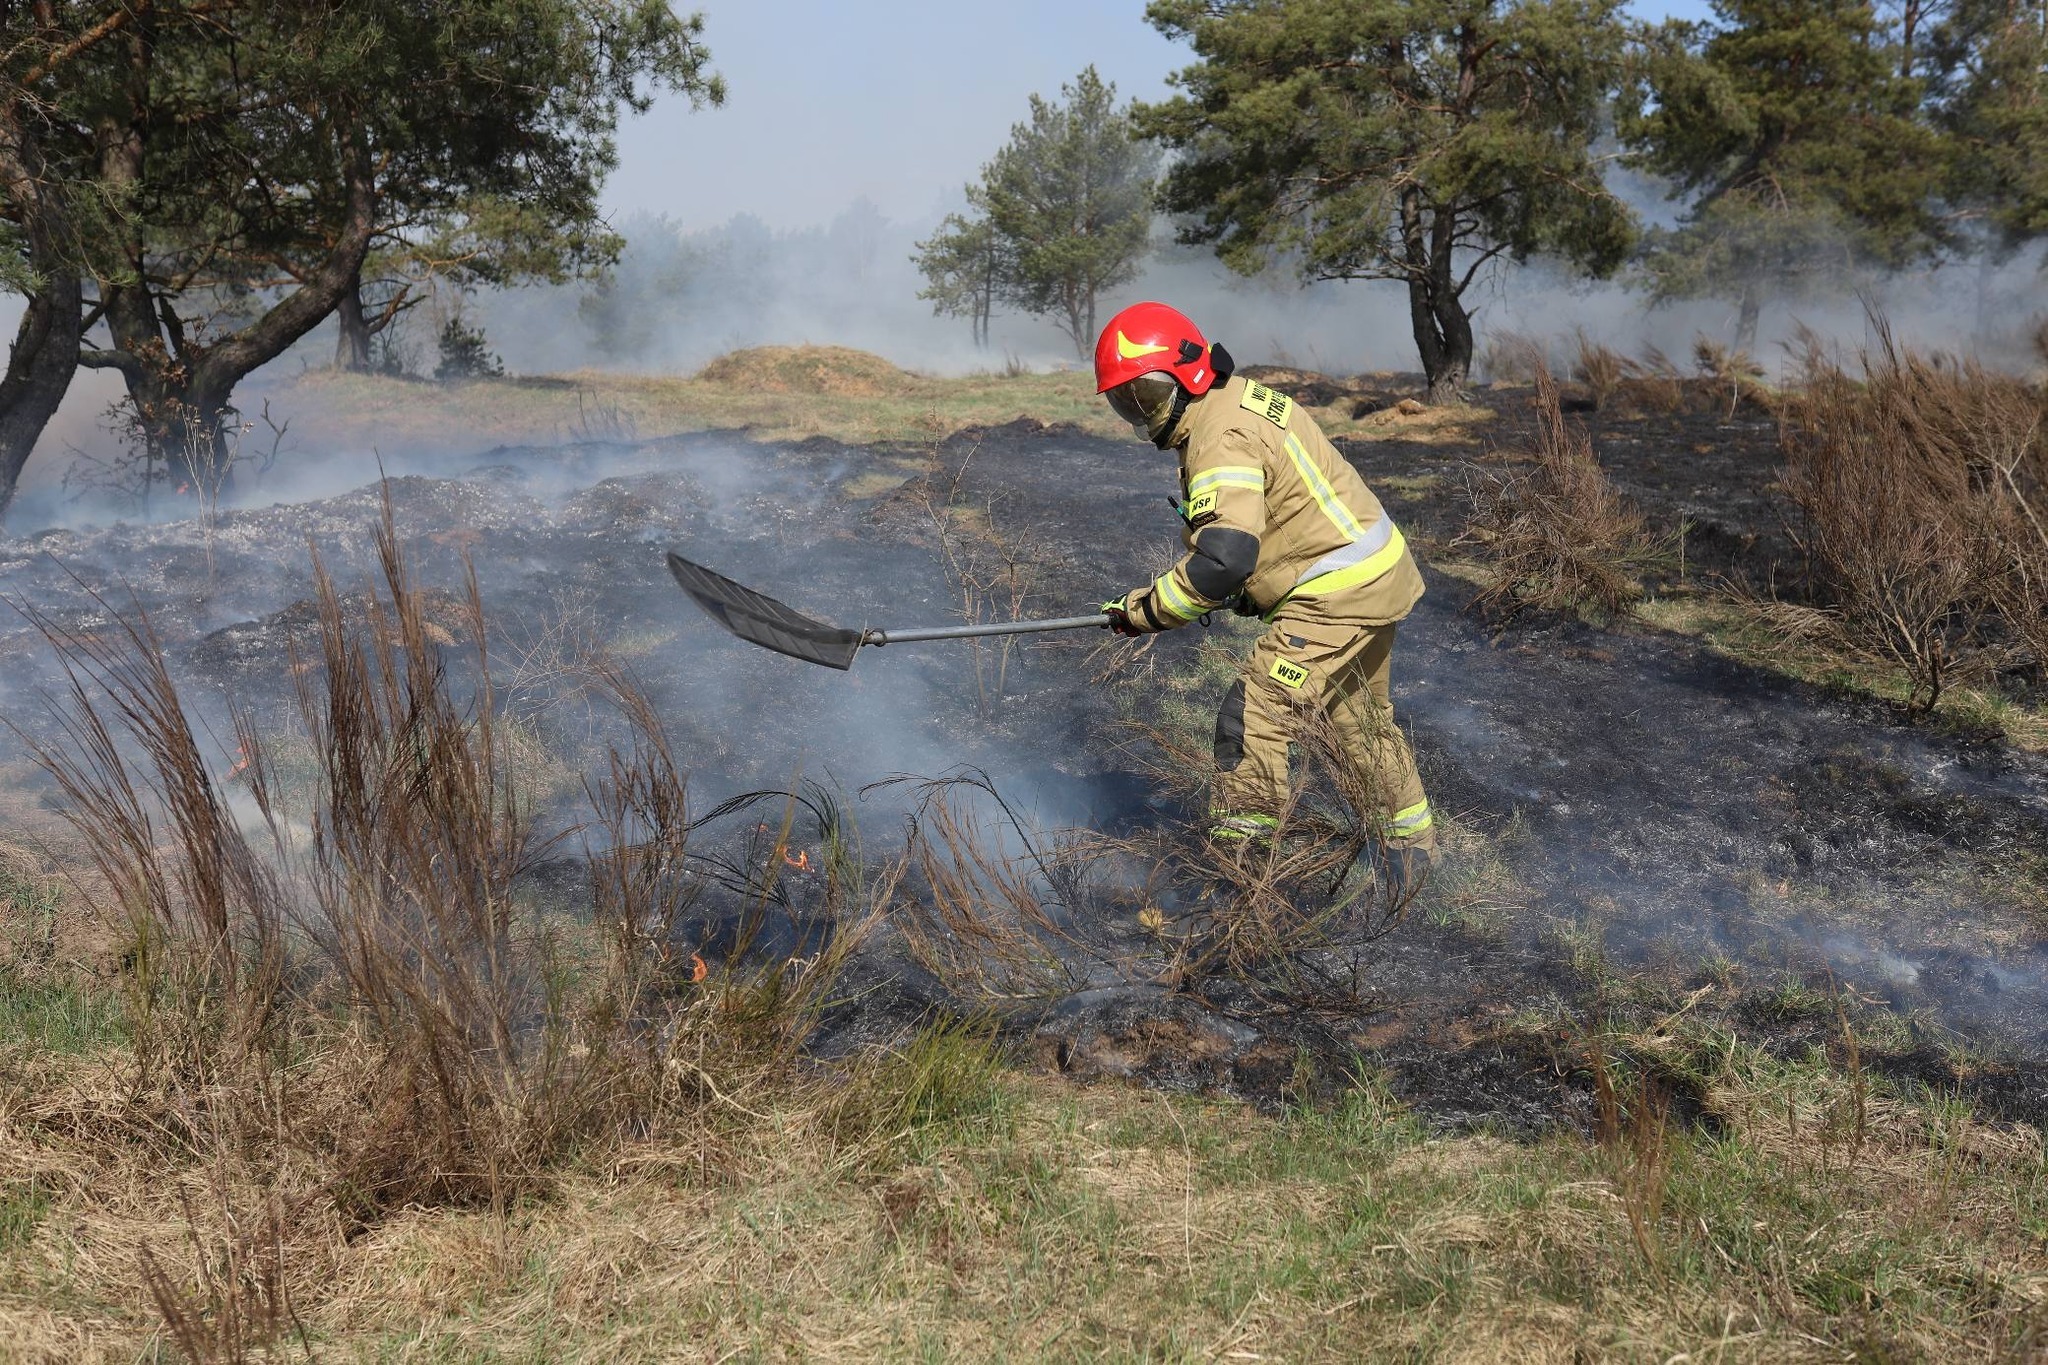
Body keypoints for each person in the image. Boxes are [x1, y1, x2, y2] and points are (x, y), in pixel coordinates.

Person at [1094, 300, 1435, 887]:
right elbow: (1278, 518)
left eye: (1145, 394)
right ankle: (1414, 862)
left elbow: (1223, 561)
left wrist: (1145, 611)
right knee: (1357, 720)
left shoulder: (1219, 434)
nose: (1139, 412)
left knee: (1253, 715)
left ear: (1187, 370)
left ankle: (1244, 880)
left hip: (1337, 592)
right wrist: (1254, 585)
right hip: (1375, 573)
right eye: (1126, 401)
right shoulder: (1237, 399)